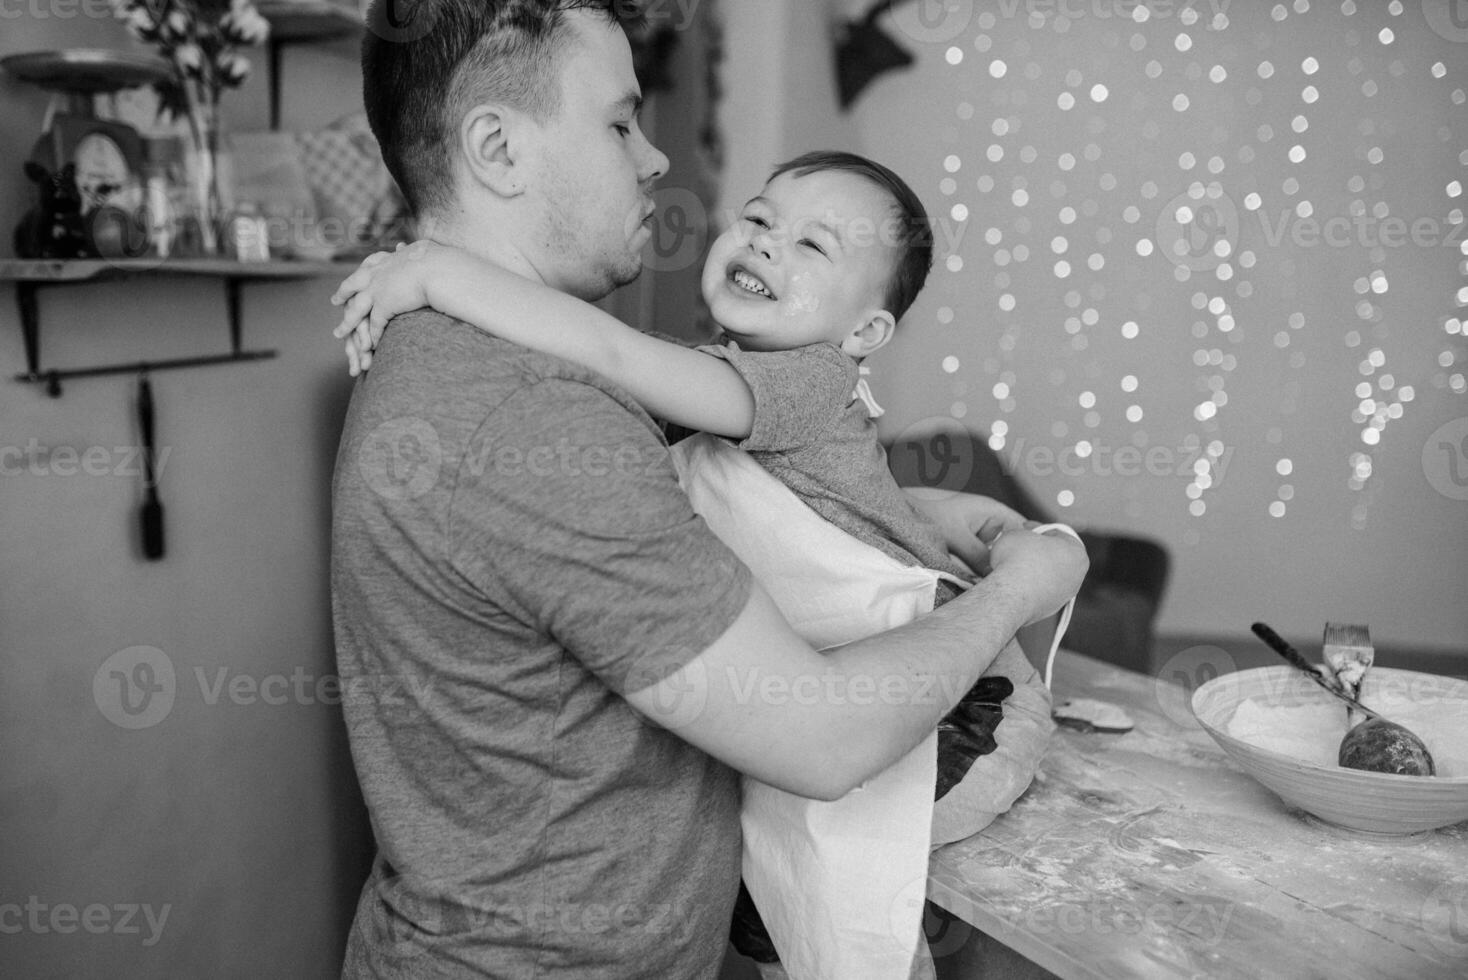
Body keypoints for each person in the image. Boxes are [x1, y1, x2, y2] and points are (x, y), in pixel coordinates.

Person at [330, 2, 1088, 978]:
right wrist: (1020, 587)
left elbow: (735, 488)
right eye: (618, 122)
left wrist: (908, 516)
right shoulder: (533, 418)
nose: (653, 160)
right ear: (496, 148)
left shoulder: (476, 360)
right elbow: (820, 737)